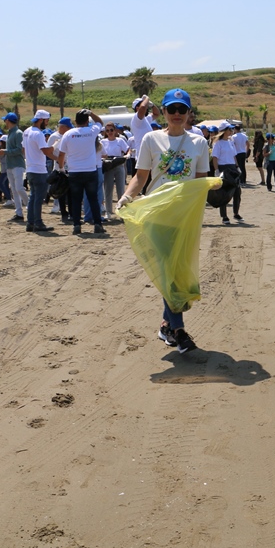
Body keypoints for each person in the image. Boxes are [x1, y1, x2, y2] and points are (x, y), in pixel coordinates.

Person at [116, 88, 209, 355]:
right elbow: (141, 176)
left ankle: (166, 325)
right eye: (172, 109)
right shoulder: (150, 139)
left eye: (182, 109)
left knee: (179, 271)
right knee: (169, 271)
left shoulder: (199, 142)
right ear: (164, 112)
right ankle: (179, 331)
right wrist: (126, 196)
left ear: (189, 112)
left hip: (185, 216)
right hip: (158, 215)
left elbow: (200, 181)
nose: (177, 114)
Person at [56, 109, 105, 235]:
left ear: (75, 121)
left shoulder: (68, 134)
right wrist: (91, 113)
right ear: (87, 121)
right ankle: (98, 224)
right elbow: (100, 122)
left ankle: (77, 225)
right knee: (93, 198)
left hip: (74, 171)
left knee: (76, 199)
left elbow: (61, 154)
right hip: (90, 170)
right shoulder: (91, 131)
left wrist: (61, 168)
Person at [23, 109, 56, 232]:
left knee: (33, 196)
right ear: (41, 120)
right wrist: (55, 146)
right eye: (46, 120)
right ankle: (38, 222)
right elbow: (46, 151)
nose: (47, 123)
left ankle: (30, 222)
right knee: (38, 198)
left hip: (30, 168)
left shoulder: (27, 131)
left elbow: (23, 149)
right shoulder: (38, 134)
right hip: (39, 169)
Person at [211, 123, 243, 224]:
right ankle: (224, 216)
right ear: (224, 130)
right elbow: (215, 158)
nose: (231, 131)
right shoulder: (218, 143)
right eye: (229, 129)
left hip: (232, 168)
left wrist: (237, 167)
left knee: (237, 192)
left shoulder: (231, 141)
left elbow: (234, 156)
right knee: (224, 193)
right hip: (223, 169)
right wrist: (217, 171)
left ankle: (236, 213)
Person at [0, 112, 26, 222]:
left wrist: (5, 151)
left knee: (19, 188)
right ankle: (19, 213)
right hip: (11, 165)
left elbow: (19, 149)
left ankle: (30, 207)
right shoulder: (11, 133)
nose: (4, 122)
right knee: (14, 190)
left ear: (8, 121)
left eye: (5, 120)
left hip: (17, 164)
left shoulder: (18, 133)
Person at [100, 122, 130, 217]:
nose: (109, 132)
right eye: (107, 131)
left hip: (118, 164)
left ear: (115, 130)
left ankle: (121, 212)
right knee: (108, 189)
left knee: (120, 189)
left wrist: (127, 155)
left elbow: (127, 149)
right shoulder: (103, 142)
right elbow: (99, 152)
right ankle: (108, 212)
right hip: (108, 165)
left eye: (111, 130)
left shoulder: (120, 141)